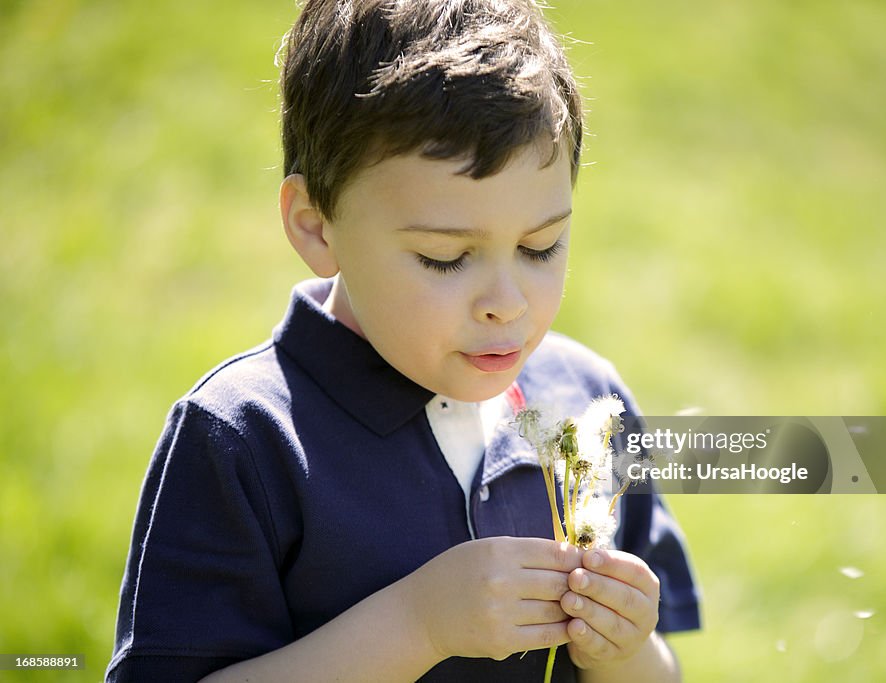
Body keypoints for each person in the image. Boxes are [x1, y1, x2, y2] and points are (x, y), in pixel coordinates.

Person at [106, 1, 700, 681]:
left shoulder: (589, 408)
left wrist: (626, 649)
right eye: (446, 258)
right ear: (316, 225)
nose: (506, 304)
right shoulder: (243, 439)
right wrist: (419, 623)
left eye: (541, 246)